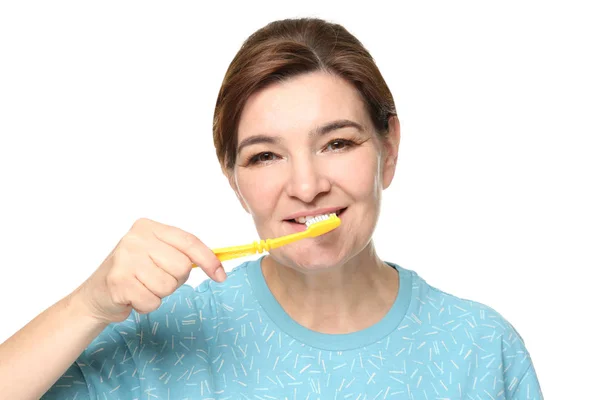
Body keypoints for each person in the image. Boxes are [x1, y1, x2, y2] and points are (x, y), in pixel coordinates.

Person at [0, 17, 543, 399]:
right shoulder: (168, 333)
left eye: (337, 143)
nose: (306, 187)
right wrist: (88, 306)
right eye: (265, 156)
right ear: (233, 179)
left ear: (389, 148)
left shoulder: (480, 347)